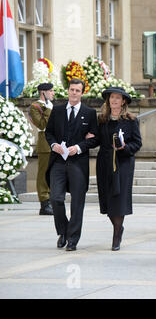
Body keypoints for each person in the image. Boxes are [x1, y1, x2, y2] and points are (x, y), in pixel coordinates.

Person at [45, 79, 99, 251]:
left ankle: (73, 240)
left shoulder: (89, 113)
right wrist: (54, 145)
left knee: (77, 203)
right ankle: (64, 231)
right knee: (56, 198)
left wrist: (79, 147)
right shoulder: (58, 110)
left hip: (78, 163)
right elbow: (49, 133)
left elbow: (96, 138)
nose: (74, 93)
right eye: (72, 90)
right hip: (58, 162)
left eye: (77, 90)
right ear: (67, 91)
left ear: (82, 93)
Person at [90, 87, 142, 251]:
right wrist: (87, 138)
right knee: (107, 198)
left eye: (117, 98)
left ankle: (116, 234)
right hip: (105, 162)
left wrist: (125, 148)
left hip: (123, 163)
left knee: (119, 199)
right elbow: (97, 139)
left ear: (123, 101)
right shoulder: (102, 120)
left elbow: (137, 143)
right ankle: (118, 226)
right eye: (112, 97)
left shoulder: (131, 120)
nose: (114, 100)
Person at [28, 83, 55, 215]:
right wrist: (49, 109)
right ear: (43, 93)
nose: (53, 93)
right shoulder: (35, 107)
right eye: (51, 91)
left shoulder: (50, 106)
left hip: (55, 144)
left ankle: (51, 200)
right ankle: (44, 203)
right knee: (43, 174)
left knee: (53, 174)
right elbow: (42, 125)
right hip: (45, 143)